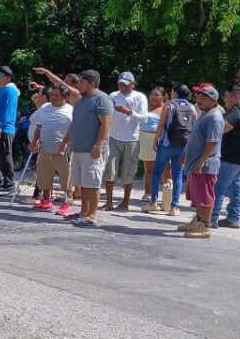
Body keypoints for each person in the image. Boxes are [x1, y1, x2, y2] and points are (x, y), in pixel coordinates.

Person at [58, 70, 113, 226]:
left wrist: (98, 145)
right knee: (82, 183)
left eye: (82, 82)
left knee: (92, 183)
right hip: (79, 148)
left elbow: (106, 124)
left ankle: (92, 215)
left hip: (93, 150)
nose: (79, 85)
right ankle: (83, 212)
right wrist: (65, 141)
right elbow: (74, 124)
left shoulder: (102, 99)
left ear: (92, 84)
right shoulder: (81, 101)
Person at [178, 85, 224, 238]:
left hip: (206, 164)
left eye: (204, 97)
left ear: (213, 100)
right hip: (197, 163)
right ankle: (197, 221)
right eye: (198, 96)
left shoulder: (214, 118)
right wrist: (186, 153)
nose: (199, 99)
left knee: (205, 197)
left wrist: (201, 161)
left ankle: (204, 227)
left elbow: (212, 142)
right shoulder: (205, 114)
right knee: (199, 196)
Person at [143, 84, 195, 215]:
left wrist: (156, 140)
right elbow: (194, 128)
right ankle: (174, 206)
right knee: (177, 174)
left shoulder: (169, 105)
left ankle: (153, 202)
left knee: (156, 172)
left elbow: (161, 125)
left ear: (175, 93)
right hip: (182, 145)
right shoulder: (192, 107)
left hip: (167, 143)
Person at [212, 85, 240, 229]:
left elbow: (224, 126)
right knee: (236, 187)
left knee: (218, 187)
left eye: (226, 96)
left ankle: (211, 217)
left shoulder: (239, 110)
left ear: (235, 96)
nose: (224, 99)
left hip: (230, 157)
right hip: (239, 157)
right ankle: (233, 217)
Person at [103, 72, 148, 210]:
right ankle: (109, 202)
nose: (122, 87)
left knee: (129, 172)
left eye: (125, 85)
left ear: (133, 84)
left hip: (132, 139)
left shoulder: (139, 97)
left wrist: (128, 112)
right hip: (113, 137)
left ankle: (125, 202)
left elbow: (144, 118)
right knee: (109, 170)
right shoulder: (113, 96)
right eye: (120, 84)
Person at [29, 83, 74, 215]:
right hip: (45, 148)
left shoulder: (70, 110)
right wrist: (34, 141)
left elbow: (74, 129)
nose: (53, 98)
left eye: (56, 95)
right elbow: (39, 126)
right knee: (44, 174)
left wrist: (66, 143)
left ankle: (67, 202)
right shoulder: (45, 108)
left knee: (66, 176)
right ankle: (47, 200)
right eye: (52, 95)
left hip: (63, 149)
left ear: (65, 97)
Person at [138, 86, 165, 203]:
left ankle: (166, 194)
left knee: (163, 169)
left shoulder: (165, 109)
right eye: (152, 94)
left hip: (159, 140)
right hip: (145, 139)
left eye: (157, 95)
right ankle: (148, 192)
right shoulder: (144, 107)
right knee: (148, 169)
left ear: (164, 97)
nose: (153, 97)